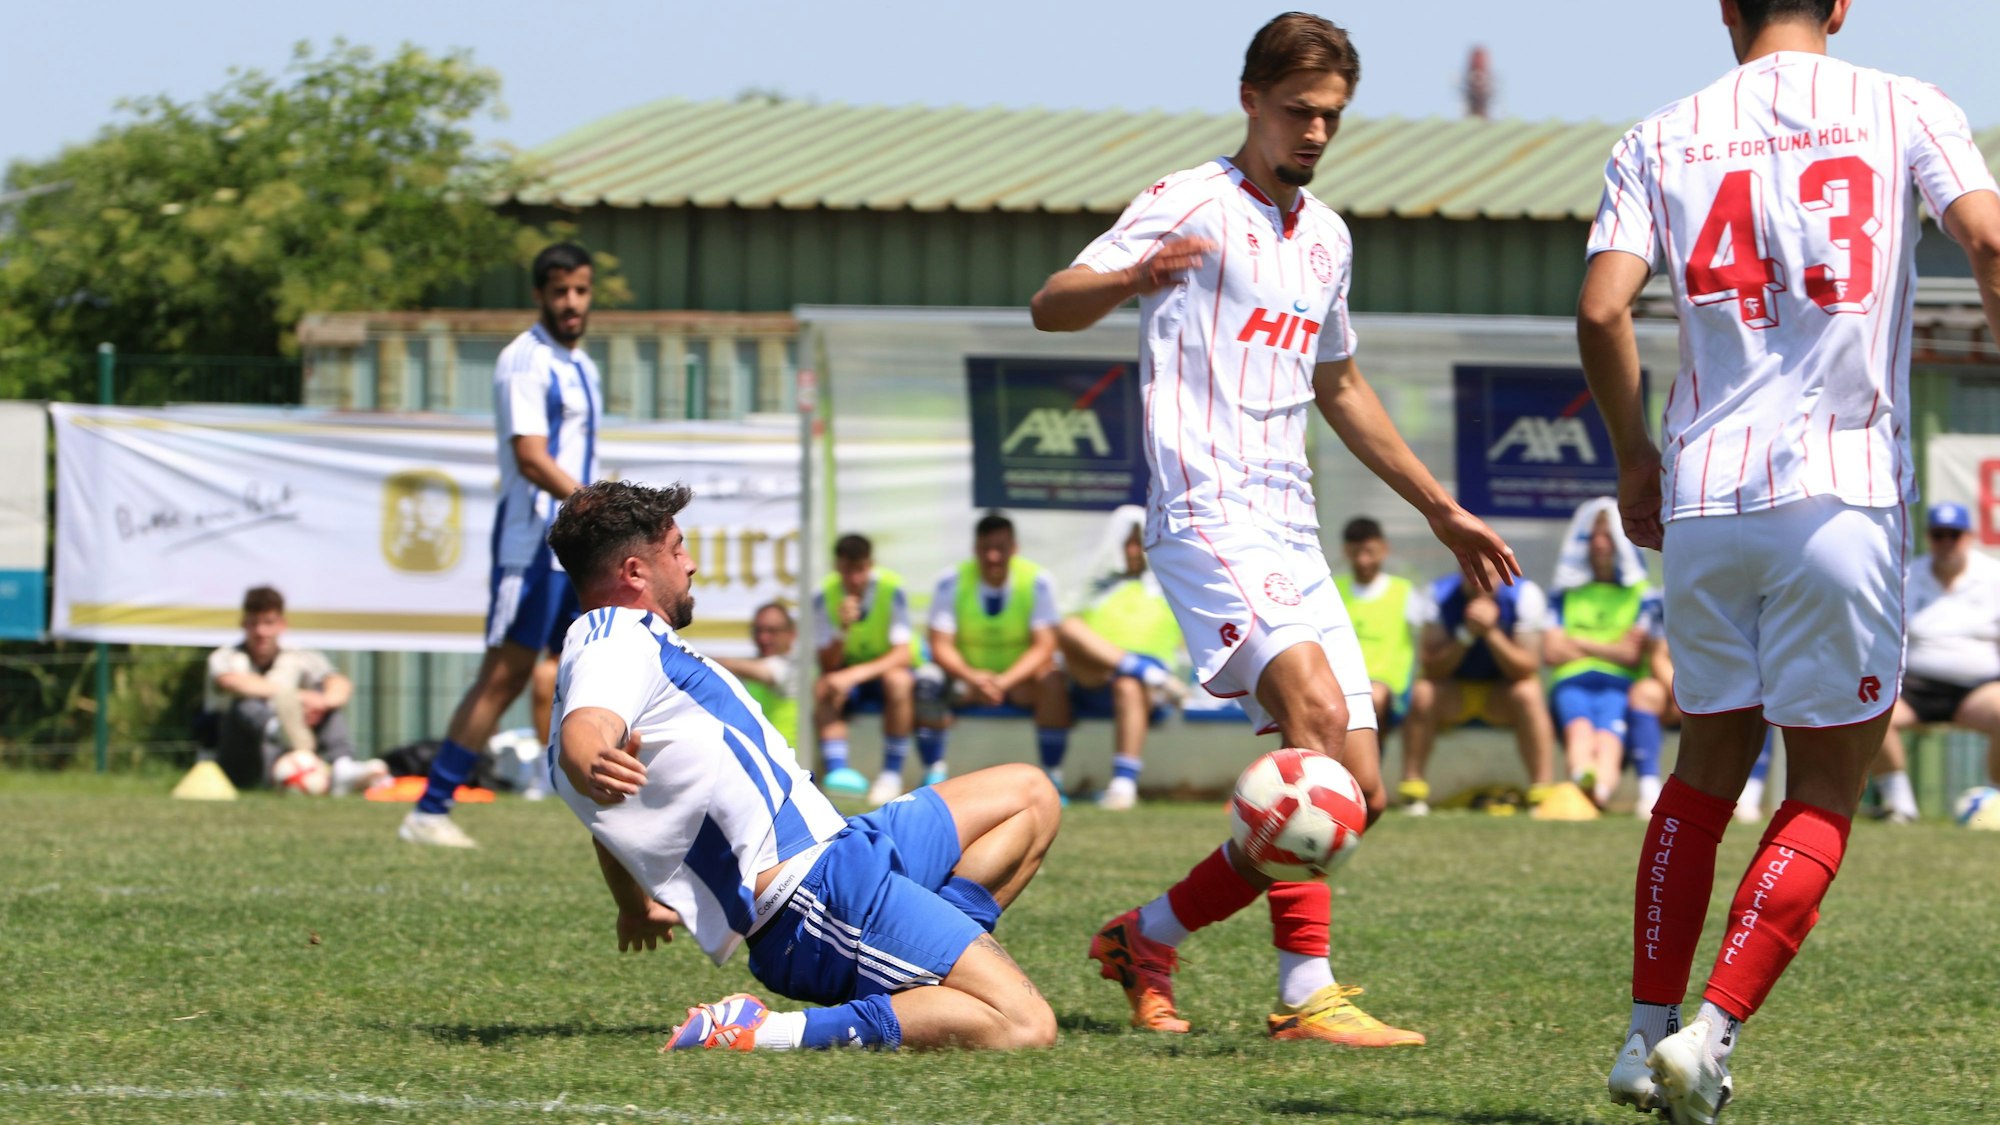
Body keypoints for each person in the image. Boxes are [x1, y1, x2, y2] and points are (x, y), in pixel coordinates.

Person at [1031, 12, 1518, 1045]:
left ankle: (1145, 935)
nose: (1313, 132)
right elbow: (1051, 303)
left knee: (1359, 792)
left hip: (1289, 525)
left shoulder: (1328, 237)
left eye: (1330, 116)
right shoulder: (1184, 200)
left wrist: (1437, 505)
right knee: (1306, 716)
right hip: (1205, 516)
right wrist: (1131, 275)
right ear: (1249, 98)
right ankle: (1306, 996)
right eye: (1297, 110)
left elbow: (1338, 383)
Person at [1578, 1, 2000, 1118]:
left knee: (1702, 769)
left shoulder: (1656, 133)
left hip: (1706, 493)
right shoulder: (1903, 103)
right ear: (1842, 2)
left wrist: (1633, 460)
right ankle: (1707, 1035)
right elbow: (1990, 238)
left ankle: (1638, 1036)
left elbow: (1600, 306)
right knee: (1821, 787)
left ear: (1723, 6)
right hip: (1838, 493)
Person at [543, 480, 1060, 1052]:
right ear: (636, 571)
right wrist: (587, 754)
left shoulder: (613, 652)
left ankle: (916, 972)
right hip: (812, 898)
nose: (690, 566)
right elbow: (588, 736)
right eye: (677, 548)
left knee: (1030, 794)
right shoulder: (613, 637)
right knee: (1026, 1026)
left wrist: (633, 904)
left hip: (845, 851)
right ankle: (766, 1032)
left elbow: (607, 801)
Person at [399, 242, 601, 848]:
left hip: (573, 542)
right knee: (504, 676)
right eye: (560, 291)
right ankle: (430, 808)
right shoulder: (525, 361)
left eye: (581, 290)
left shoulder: (582, 364)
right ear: (540, 294)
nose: (572, 302)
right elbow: (531, 457)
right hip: (532, 546)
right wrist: (594, 504)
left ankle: (615, 798)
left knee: (605, 658)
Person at [904, 512, 1068, 805]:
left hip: (1017, 684)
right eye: (986, 548)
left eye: (1001, 548)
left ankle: (1053, 777)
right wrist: (974, 677)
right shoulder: (950, 581)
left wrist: (1003, 682)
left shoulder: (1037, 581)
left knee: (1053, 679)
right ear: (975, 549)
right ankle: (933, 774)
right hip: (966, 683)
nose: (993, 557)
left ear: (1013, 549)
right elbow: (940, 645)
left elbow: (1045, 645)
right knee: (927, 679)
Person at [1052, 505, 1188, 811]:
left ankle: (1123, 787)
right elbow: (1069, 636)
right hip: (1095, 679)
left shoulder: (1167, 587)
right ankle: (1146, 673)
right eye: (1126, 542)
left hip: (1146, 690)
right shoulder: (1094, 588)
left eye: (1138, 542)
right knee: (1069, 627)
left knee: (1128, 684)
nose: (1131, 550)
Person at [1397, 570, 1557, 815]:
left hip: (1500, 696)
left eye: (1490, 575)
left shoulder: (1525, 595)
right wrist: (1466, 634)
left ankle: (1541, 794)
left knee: (1530, 692)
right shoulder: (1438, 595)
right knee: (1423, 692)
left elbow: (1526, 668)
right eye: (1475, 575)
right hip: (1454, 694)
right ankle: (1412, 792)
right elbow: (1431, 667)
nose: (1483, 582)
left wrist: (1491, 632)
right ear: (1463, 571)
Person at [1876, 500, 2000, 816]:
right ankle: (1901, 809)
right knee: (1872, 713)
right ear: (1929, 537)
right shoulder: (1907, 575)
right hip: (1915, 687)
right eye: (1939, 534)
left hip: (1978, 689)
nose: (1946, 543)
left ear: (1969, 537)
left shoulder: (1993, 576)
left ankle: (1993, 804)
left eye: (1954, 535)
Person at [204, 585, 383, 794]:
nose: (261, 632)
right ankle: (278, 730)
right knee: (244, 703)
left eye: (268, 623)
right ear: (244, 624)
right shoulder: (225, 656)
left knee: (322, 697)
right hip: (240, 755)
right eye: (254, 624)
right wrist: (298, 698)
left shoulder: (299, 655)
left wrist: (320, 703)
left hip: (287, 750)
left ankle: (342, 766)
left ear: (282, 624)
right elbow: (232, 682)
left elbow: (340, 684)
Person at [1543, 498, 1655, 809]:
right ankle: (1584, 786)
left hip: (1619, 685)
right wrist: (1611, 648)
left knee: (1608, 739)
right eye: (1594, 536)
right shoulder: (1565, 593)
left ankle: (1599, 795)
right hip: (1570, 682)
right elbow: (1551, 652)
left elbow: (1631, 656)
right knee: (1579, 732)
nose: (1600, 544)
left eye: (1608, 535)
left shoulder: (1641, 595)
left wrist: (1577, 642)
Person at [811, 534, 916, 799]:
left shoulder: (892, 588)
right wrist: (842, 630)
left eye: (860, 570)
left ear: (871, 565)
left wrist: (854, 674)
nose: (855, 579)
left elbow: (903, 654)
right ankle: (839, 774)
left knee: (900, 681)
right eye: (848, 570)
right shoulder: (824, 594)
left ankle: (891, 775)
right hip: (849, 672)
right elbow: (827, 662)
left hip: (880, 672)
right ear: (837, 567)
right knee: (824, 686)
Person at [1331, 518, 1421, 756]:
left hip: (1390, 689)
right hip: (1338, 683)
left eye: (1369, 551)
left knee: (1372, 698)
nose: (1363, 560)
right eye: (1355, 552)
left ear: (1384, 549)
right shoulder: (1332, 591)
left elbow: (1427, 642)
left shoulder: (1405, 592)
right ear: (1346, 552)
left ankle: (1367, 770)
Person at [713, 602, 800, 748]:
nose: (764, 638)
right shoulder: (750, 668)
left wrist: (694, 660)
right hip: (755, 757)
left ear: (791, 634)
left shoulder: (795, 668)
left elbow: (765, 671)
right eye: (759, 631)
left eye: (772, 631)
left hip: (790, 761)